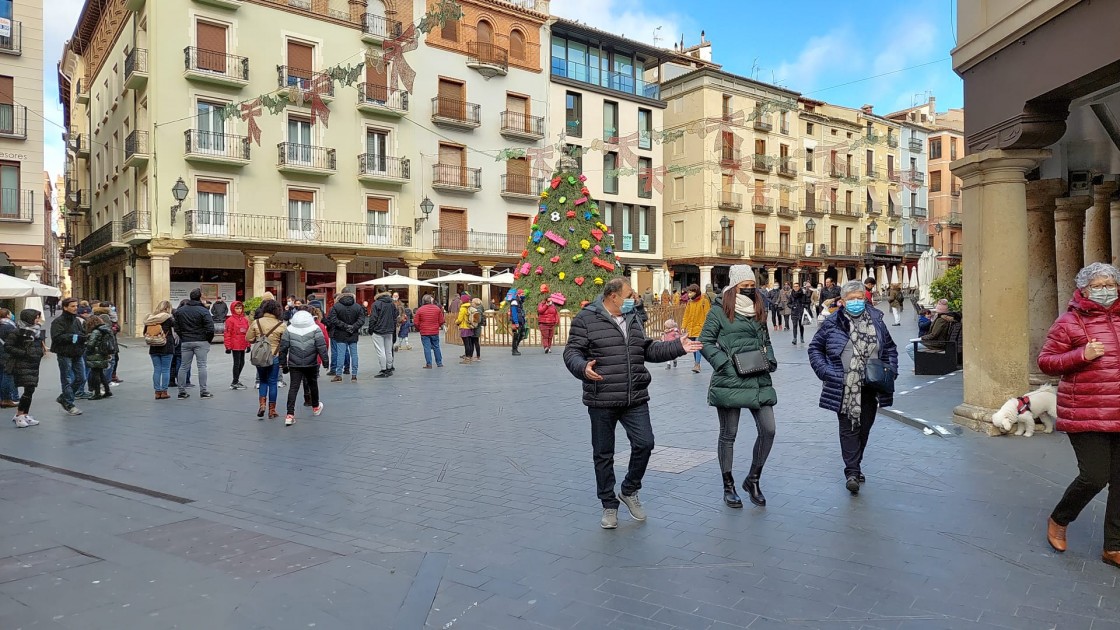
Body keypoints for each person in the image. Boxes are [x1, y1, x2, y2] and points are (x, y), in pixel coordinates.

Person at [563, 278, 700, 529]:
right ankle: (608, 505)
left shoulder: (634, 316)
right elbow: (572, 352)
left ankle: (629, 490)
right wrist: (582, 368)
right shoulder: (586, 318)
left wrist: (677, 347)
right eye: (629, 294)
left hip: (634, 395)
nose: (635, 297)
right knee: (603, 454)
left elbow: (646, 350)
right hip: (602, 396)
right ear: (613, 297)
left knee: (645, 443)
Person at [1039, 262, 1120, 568]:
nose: (1105, 290)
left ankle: (1114, 547)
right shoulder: (1069, 323)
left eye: (1110, 284)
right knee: (1094, 476)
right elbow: (1046, 361)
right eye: (1098, 285)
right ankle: (1060, 518)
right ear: (1084, 290)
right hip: (1086, 411)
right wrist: (1081, 355)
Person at [808, 279, 898, 495]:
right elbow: (814, 348)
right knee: (849, 429)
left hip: (872, 385)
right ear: (843, 300)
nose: (856, 302)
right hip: (844, 387)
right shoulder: (832, 322)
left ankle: (856, 463)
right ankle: (852, 472)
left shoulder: (877, 321)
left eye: (860, 298)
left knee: (864, 427)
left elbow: (891, 349)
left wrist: (891, 371)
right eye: (851, 299)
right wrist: (826, 372)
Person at [699, 265, 778, 507]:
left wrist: (771, 360)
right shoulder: (719, 311)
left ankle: (753, 479)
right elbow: (705, 341)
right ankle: (728, 485)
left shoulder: (758, 308)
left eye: (752, 286)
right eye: (744, 286)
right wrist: (723, 363)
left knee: (769, 430)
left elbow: (765, 340)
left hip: (758, 376)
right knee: (728, 434)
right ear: (734, 286)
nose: (749, 290)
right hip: (730, 378)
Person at [278, 309, 328, 426]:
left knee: (293, 388)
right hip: (311, 362)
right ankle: (315, 407)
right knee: (313, 384)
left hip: (294, 363)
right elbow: (321, 346)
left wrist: (283, 364)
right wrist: (325, 361)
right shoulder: (315, 329)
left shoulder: (289, 330)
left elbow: (283, 348)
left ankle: (290, 415)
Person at [3, 309, 45, 427]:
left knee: (30, 390)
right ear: (29, 318)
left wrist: (40, 353)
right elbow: (8, 347)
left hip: (33, 364)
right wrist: (24, 353)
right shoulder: (17, 332)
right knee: (28, 389)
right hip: (22, 364)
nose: (37, 320)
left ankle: (25, 414)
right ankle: (19, 415)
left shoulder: (36, 331)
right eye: (36, 317)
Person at [246, 299, 286, 419]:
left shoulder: (256, 322)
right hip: (274, 356)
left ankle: (262, 405)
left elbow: (248, 338)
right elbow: (285, 343)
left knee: (263, 381)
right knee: (273, 382)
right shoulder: (282, 325)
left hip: (261, 356)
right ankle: (272, 410)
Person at [174, 289, 215, 400]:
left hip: (186, 340)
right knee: (202, 366)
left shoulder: (180, 311)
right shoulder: (203, 310)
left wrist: (183, 336)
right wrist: (208, 340)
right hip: (201, 340)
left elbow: (176, 327)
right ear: (200, 297)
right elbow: (210, 328)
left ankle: (181, 391)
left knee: (183, 366)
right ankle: (203, 391)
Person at [50, 297, 87, 416]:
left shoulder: (77, 320)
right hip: (64, 353)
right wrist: (74, 337)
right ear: (65, 307)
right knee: (66, 379)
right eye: (72, 306)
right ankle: (69, 404)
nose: (75, 308)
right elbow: (57, 337)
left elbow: (82, 333)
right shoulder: (58, 322)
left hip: (77, 353)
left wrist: (83, 338)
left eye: (76, 306)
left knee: (81, 378)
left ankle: (64, 397)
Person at [325, 291, 364, 382]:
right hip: (353, 333)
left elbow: (333, 319)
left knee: (340, 354)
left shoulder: (336, 307)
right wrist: (353, 327)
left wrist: (345, 326)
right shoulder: (358, 306)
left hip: (340, 333)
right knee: (354, 354)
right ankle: (354, 375)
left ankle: (338, 375)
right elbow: (361, 320)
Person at [145, 301, 176, 399]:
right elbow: (176, 327)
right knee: (166, 369)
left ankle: (157, 392)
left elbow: (145, 332)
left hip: (153, 346)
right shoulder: (169, 318)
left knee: (157, 369)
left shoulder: (150, 319)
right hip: (166, 346)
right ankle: (164, 391)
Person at [681, 283, 711, 373]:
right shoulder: (690, 302)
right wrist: (683, 326)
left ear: (696, 292)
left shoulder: (704, 301)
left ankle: (697, 364)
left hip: (700, 327)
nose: (689, 295)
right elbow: (686, 315)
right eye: (688, 293)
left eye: (691, 293)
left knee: (697, 345)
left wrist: (707, 327)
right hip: (691, 328)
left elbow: (707, 315)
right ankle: (696, 363)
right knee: (694, 346)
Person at [83, 315, 114, 400]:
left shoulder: (95, 331)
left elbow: (91, 344)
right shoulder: (104, 330)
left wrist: (85, 344)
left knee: (95, 374)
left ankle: (97, 393)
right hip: (102, 353)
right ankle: (107, 391)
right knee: (100, 373)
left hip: (95, 354)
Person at [368, 291, 397, 378]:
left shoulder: (376, 304)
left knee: (381, 350)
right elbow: (395, 316)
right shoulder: (392, 303)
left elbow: (373, 318)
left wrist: (371, 329)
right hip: (389, 329)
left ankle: (383, 369)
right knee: (388, 350)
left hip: (378, 330)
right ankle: (389, 367)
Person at [223, 300, 250, 390]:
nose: (239, 310)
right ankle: (235, 381)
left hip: (242, 343)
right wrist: (228, 346)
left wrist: (248, 344)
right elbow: (227, 333)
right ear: (233, 309)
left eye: (240, 308)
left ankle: (236, 380)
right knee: (237, 363)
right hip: (235, 344)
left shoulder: (245, 320)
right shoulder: (230, 320)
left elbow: (247, 333)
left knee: (242, 363)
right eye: (237, 308)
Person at [414, 294, 445, 368]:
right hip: (434, 331)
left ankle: (429, 364)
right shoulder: (437, 309)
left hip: (424, 332)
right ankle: (439, 363)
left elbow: (416, 322)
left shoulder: (420, 310)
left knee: (427, 348)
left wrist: (419, 328)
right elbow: (441, 321)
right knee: (436, 347)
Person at [0, 308, 19, 408]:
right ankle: (6, 399)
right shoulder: (9, 327)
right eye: (10, 313)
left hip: (1, 354)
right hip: (7, 355)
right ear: (7, 315)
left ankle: (3, 398)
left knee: (2, 376)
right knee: (7, 377)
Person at [455, 294, 476, 365]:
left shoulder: (463, 308)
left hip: (464, 327)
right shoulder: (470, 307)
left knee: (466, 344)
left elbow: (460, 319)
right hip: (470, 327)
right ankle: (470, 357)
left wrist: (456, 322)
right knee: (470, 343)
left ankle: (467, 358)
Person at [789, 281, 809, 345]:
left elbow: (808, 301)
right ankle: (794, 338)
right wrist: (792, 306)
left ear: (799, 287)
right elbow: (788, 303)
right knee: (794, 325)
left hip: (801, 311)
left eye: (797, 286)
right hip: (794, 312)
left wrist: (804, 306)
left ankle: (802, 337)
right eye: (794, 286)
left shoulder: (803, 294)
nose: (795, 287)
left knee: (801, 326)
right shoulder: (791, 295)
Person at [509, 289, 527, 356]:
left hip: (521, 321)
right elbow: (514, 313)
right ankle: (514, 350)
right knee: (516, 335)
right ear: (518, 294)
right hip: (516, 321)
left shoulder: (520, 302)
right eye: (522, 294)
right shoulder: (514, 302)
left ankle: (515, 347)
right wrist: (516, 322)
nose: (523, 295)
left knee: (522, 334)